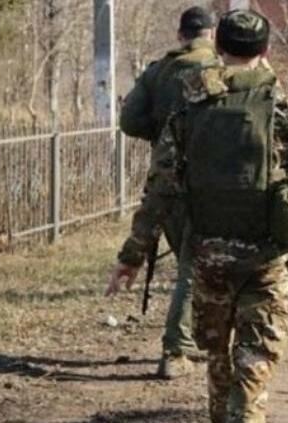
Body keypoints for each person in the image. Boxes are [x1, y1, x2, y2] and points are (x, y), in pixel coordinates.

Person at [106, 9, 288, 423]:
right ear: (265, 50)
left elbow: (160, 187)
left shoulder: (192, 104)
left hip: (208, 254)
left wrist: (133, 255)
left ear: (218, 46)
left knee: (218, 359)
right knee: (255, 360)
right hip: (267, 256)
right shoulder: (283, 105)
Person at [116, 5, 220, 380]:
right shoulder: (220, 69)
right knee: (194, 267)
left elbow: (129, 120)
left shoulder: (158, 71)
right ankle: (175, 349)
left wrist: (162, 134)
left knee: (189, 263)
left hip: (166, 184)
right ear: (212, 35)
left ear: (180, 35)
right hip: (210, 182)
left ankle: (191, 340)